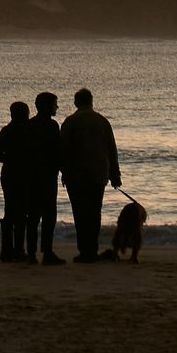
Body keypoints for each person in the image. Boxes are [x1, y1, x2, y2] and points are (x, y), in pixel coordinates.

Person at [59, 87, 120, 263]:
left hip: (76, 176)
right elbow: (111, 150)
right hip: (98, 175)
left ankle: (84, 251)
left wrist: (64, 171)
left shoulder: (70, 122)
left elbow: (63, 150)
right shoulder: (102, 121)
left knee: (80, 213)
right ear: (91, 101)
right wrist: (115, 175)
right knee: (94, 213)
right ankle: (91, 250)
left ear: (76, 102)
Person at [26, 91, 65, 265]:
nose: (57, 107)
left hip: (32, 176)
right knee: (49, 216)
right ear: (47, 106)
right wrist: (64, 171)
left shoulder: (29, 125)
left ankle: (32, 253)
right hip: (47, 177)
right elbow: (58, 151)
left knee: (33, 217)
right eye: (55, 104)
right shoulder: (51, 126)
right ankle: (47, 252)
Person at [0, 101, 33, 262]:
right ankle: (18, 250)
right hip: (23, 174)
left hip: (9, 174)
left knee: (10, 211)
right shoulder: (28, 130)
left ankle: (7, 250)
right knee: (22, 213)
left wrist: (9, 160)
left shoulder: (7, 130)